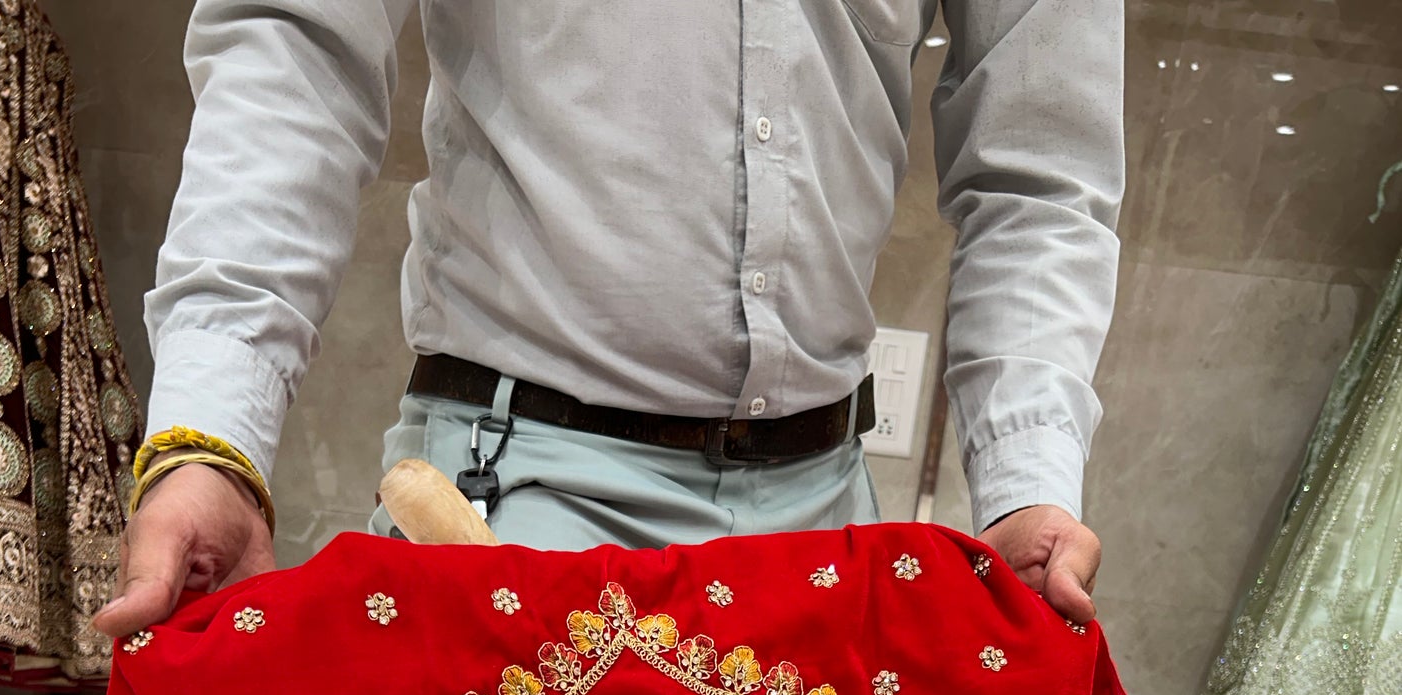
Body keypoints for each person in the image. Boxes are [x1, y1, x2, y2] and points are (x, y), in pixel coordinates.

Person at [91, 0, 1120, 645]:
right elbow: (296, 50)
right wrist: (210, 438)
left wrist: (1025, 480)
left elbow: (1040, 169)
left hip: (824, 523)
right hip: (508, 507)